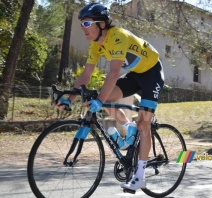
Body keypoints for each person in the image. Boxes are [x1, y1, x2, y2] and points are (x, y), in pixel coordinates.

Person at [56, 3, 164, 191]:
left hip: (152, 74)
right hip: (135, 75)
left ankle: (140, 176)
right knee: (103, 99)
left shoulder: (118, 36)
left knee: (143, 123)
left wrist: (98, 101)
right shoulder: (96, 45)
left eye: (87, 23)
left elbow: (114, 73)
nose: (84, 28)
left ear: (102, 24)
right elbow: (86, 75)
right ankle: (127, 127)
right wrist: (69, 99)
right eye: (82, 24)